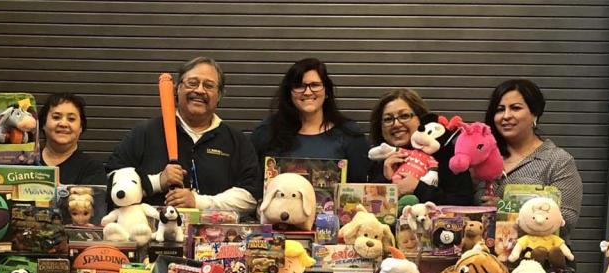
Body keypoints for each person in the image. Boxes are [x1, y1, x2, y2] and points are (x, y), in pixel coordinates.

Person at [107, 57, 259, 215]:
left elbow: (250, 197)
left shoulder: (237, 141)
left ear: (219, 95)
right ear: (176, 89)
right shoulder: (145, 133)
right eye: (192, 83)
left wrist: (198, 202)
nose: (200, 90)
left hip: (214, 236)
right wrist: (157, 182)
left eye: (208, 85)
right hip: (151, 234)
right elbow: (112, 183)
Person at [485, 78, 583, 229]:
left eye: (515, 108)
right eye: (499, 110)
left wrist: (505, 207)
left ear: (535, 113)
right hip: (485, 251)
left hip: (536, 251)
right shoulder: (484, 157)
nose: (505, 116)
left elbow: (567, 219)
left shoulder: (558, 161)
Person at [251, 58, 369, 183]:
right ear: (289, 93)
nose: (307, 92)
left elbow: (359, 188)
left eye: (315, 85)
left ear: (327, 91)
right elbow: (251, 182)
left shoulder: (349, 134)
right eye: (299, 86)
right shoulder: (267, 132)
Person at [367, 89, 474, 206]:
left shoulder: (448, 157)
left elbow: (465, 202)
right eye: (388, 119)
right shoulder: (378, 161)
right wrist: (385, 180)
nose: (396, 124)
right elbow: (370, 208)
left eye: (404, 116)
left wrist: (418, 188)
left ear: (421, 119)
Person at [37, 92, 107, 186]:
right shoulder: (25, 161)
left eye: (71, 119)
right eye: (56, 117)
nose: (63, 124)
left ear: (81, 127)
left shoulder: (92, 169)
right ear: (43, 124)